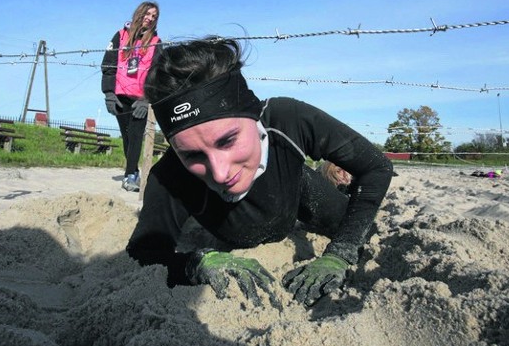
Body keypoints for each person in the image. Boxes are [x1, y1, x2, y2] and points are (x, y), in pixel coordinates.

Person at [126, 37, 394, 308]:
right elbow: (143, 253)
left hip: (296, 189)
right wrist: (194, 264)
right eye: (193, 155)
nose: (219, 174)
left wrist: (340, 254)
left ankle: (330, 178)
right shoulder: (169, 177)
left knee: (361, 229)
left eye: (228, 140)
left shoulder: (286, 119)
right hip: (237, 231)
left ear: (253, 114)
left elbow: (376, 167)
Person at [101, 1, 161, 192]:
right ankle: (132, 169)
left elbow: (157, 74)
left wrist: (147, 99)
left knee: (136, 136)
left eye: (154, 16)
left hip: (140, 99)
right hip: (120, 96)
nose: (150, 19)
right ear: (139, 14)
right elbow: (108, 65)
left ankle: (130, 176)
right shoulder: (120, 36)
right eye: (148, 14)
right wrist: (109, 94)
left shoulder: (156, 43)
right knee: (126, 136)